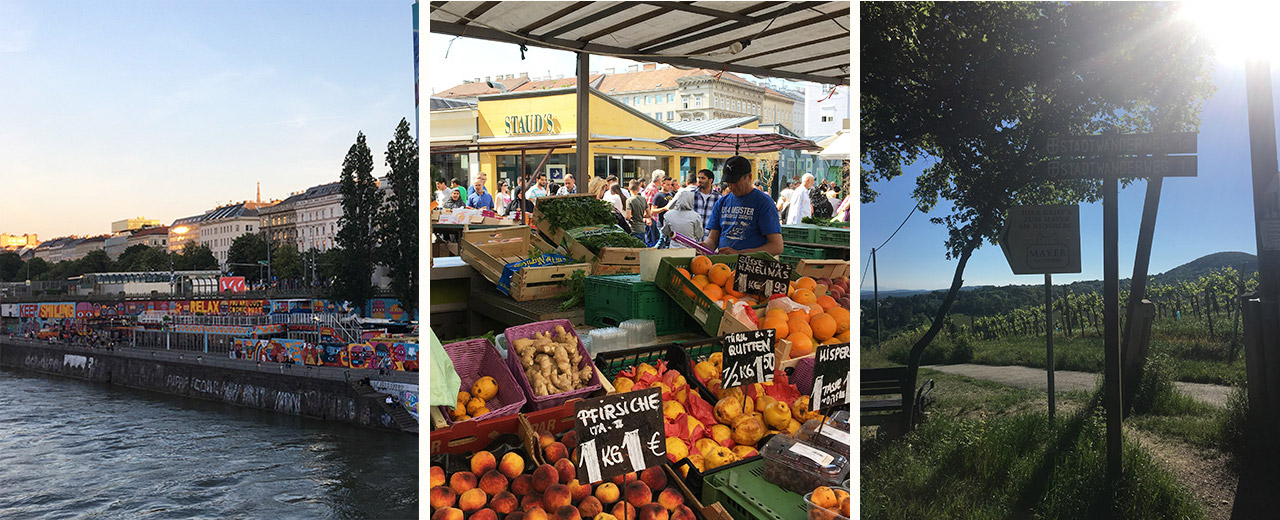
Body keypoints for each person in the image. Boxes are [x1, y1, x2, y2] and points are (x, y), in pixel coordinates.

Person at [702, 156, 784, 256]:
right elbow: (712, 239)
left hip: (752, 267)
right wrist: (703, 246)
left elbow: (776, 246)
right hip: (724, 268)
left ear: (749, 177)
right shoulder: (722, 202)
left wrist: (739, 254)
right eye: (728, 182)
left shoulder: (763, 203)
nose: (731, 186)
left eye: (735, 182)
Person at [651, 176, 677, 248]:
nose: (670, 187)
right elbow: (653, 210)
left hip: (671, 223)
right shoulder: (658, 196)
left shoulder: (671, 195)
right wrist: (664, 209)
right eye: (668, 185)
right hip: (662, 223)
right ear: (662, 184)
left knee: (668, 242)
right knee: (662, 240)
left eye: (670, 185)